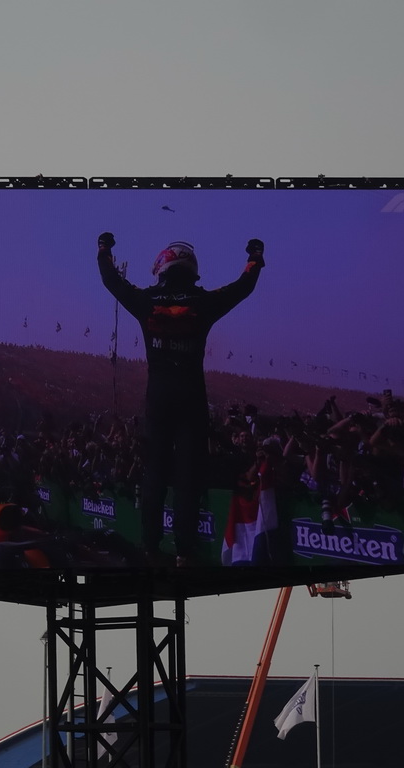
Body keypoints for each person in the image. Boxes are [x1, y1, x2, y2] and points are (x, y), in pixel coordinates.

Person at [96, 232, 265, 565]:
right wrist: (255, 256)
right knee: (188, 476)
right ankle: (184, 553)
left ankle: (149, 546)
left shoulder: (145, 299)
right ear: (192, 268)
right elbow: (244, 286)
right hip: (191, 396)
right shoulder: (204, 302)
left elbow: (111, 280)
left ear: (162, 265)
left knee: (155, 473)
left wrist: (104, 249)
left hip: (158, 397)